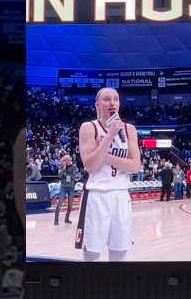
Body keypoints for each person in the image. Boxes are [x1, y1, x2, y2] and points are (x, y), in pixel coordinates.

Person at [76, 87, 141, 262]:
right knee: (92, 254)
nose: (112, 103)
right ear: (97, 104)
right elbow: (90, 165)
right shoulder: (89, 127)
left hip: (121, 195)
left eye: (116, 99)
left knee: (120, 252)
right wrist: (110, 134)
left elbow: (135, 166)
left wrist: (104, 155)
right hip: (97, 195)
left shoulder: (129, 130)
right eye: (106, 99)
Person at [54, 154, 79, 225]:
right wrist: (64, 168)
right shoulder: (61, 167)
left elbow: (74, 176)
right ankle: (56, 219)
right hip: (63, 187)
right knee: (60, 203)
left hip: (71, 187)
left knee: (70, 205)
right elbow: (59, 176)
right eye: (65, 160)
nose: (67, 161)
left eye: (68, 160)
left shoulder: (73, 167)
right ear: (63, 161)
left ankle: (67, 218)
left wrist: (65, 175)